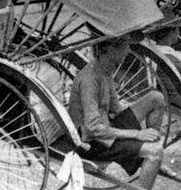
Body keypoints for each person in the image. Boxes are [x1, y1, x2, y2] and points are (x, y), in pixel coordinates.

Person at [68, 36, 166, 189]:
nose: (128, 50)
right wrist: (136, 134)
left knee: (156, 98)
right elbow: (93, 128)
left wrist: (138, 135)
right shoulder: (89, 79)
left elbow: (116, 109)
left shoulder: (105, 70)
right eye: (125, 46)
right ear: (112, 50)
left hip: (106, 128)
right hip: (92, 142)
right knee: (155, 152)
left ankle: (146, 157)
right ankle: (151, 157)